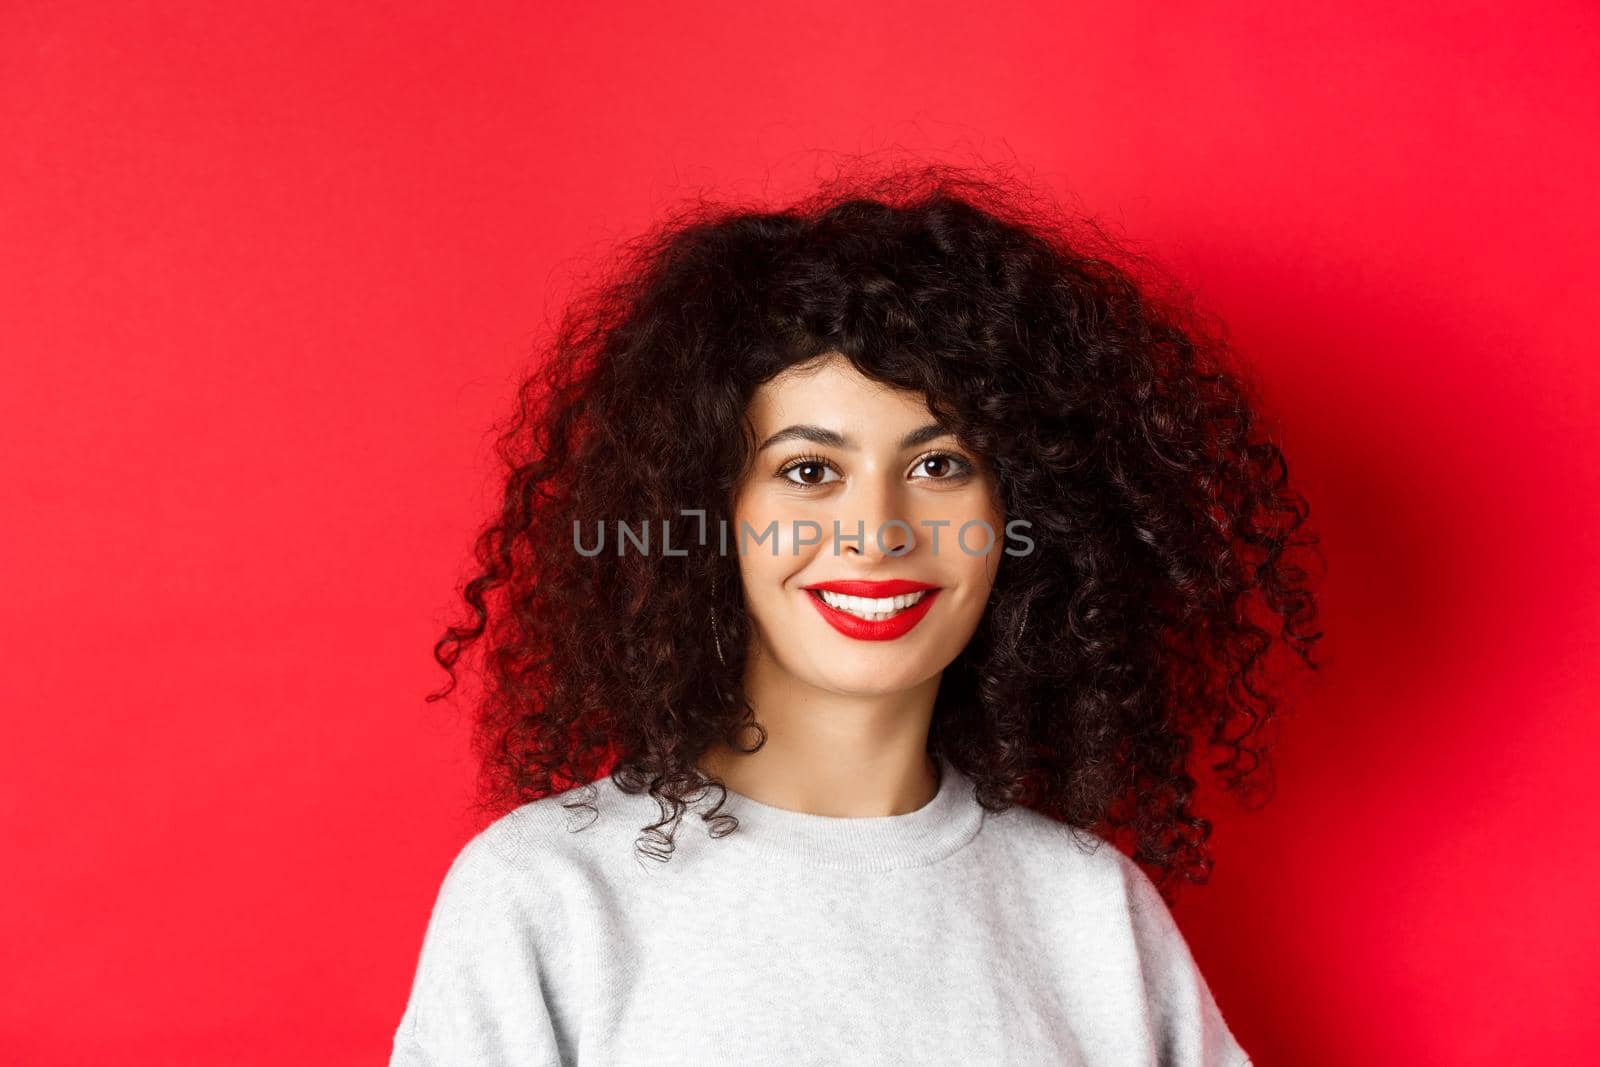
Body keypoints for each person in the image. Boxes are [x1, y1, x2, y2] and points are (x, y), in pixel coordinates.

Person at [389, 164, 1322, 1066]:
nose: (877, 533)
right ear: (709, 514)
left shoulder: (1089, 911)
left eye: (939, 465)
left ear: (1024, 512)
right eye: (808, 471)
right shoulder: (548, 895)